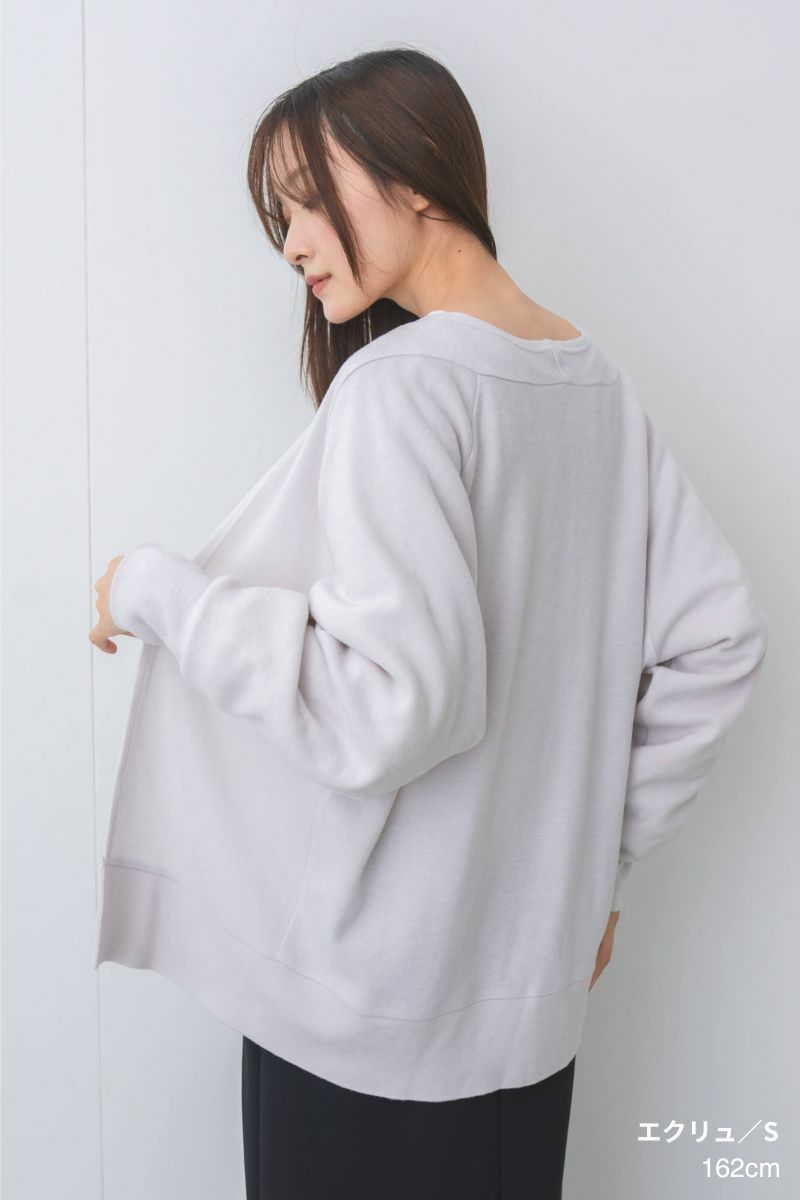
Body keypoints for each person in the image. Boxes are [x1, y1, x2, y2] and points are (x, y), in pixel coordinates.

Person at [89, 47, 768, 1200]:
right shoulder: (589, 382)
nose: (292, 242)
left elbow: (392, 707)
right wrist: (591, 872)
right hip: (525, 1017)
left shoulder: (403, 386)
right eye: (280, 214)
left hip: (371, 1024)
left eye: (308, 199)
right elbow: (717, 640)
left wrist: (156, 591)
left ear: (414, 176)